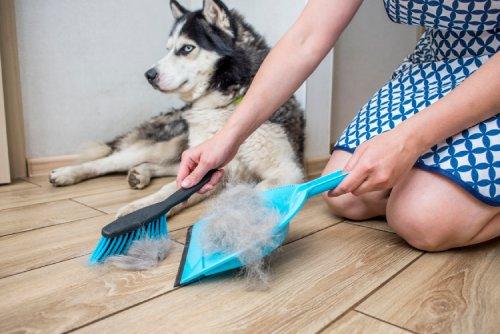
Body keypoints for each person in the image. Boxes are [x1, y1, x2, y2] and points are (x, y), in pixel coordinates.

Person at [176, 0, 500, 251]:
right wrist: (229, 136)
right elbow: (306, 38)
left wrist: (410, 139)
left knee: (425, 219)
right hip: (438, 61)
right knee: (347, 196)